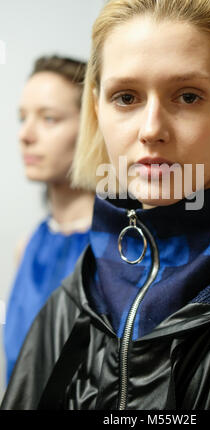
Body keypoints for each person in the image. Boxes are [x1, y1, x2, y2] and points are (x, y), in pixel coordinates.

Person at [2, 0, 210, 410]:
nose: (151, 128)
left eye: (187, 96)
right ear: (98, 110)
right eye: (126, 97)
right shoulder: (70, 303)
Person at [3, 56, 94, 383]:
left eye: (49, 118)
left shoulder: (121, 247)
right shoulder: (27, 246)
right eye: (22, 118)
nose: (25, 135)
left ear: (92, 127)